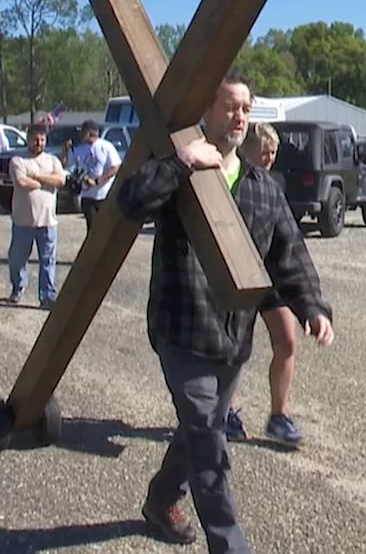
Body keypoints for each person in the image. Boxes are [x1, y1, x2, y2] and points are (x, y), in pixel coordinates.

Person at [116, 73, 335, 552]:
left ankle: (159, 500)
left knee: (202, 431)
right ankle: (230, 545)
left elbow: (289, 254)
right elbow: (129, 202)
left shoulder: (263, 187)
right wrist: (179, 164)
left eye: (245, 108)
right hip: (182, 330)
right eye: (230, 106)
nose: (239, 116)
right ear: (207, 112)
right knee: (210, 446)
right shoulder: (180, 168)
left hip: (234, 340)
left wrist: (312, 308)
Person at [221, 121, 305, 446]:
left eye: (274, 153)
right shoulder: (228, 181)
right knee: (233, 349)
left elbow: (287, 237)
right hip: (236, 277)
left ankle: (279, 416)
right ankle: (226, 411)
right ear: (246, 150)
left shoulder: (272, 185)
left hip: (271, 278)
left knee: (287, 341)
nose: (270, 158)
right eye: (265, 152)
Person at [7, 122, 66, 309]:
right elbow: (22, 182)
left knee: (48, 260)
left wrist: (38, 177)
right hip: (23, 221)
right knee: (17, 259)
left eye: (42, 139)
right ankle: (18, 286)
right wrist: (46, 181)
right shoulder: (18, 160)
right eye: (35, 139)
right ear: (28, 140)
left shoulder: (53, 160)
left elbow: (60, 180)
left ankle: (47, 296)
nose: (39, 143)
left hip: (48, 221)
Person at [64, 120, 122, 230]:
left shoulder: (105, 146)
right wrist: (65, 150)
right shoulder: (78, 149)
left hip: (104, 195)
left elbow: (116, 167)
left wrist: (98, 180)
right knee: (92, 229)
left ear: (91, 133)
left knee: (106, 228)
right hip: (87, 196)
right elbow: (67, 164)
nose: (80, 135)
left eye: (83, 132)